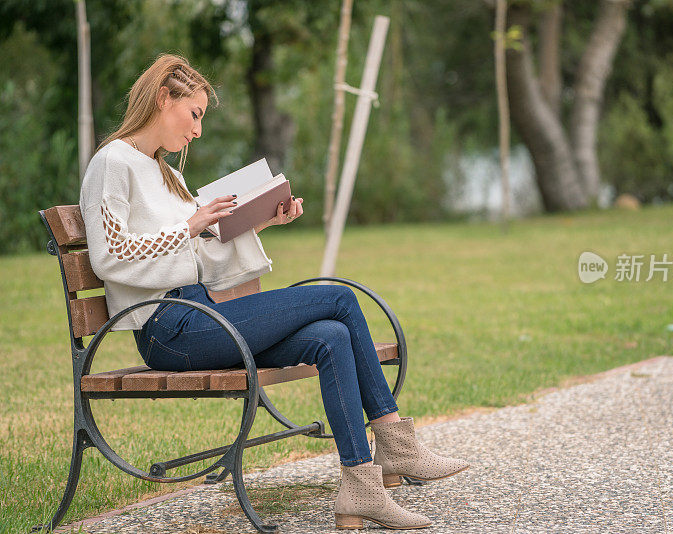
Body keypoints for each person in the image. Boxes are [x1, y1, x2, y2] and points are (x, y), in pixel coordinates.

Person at [78, 53, 468, 530]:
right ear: (164, 99)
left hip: (201, 314)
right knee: (339, 299)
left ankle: (360, 487)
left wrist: (261, 219)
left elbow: (201, 251)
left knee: (332, 335)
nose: (197, 131)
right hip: (167, 329)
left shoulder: (168, 175)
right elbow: (108, 255)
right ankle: (395, 445)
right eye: (194, 114)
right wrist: (189, 224)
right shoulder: (112, 162)